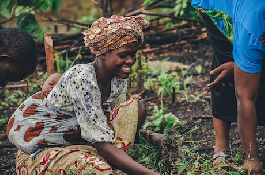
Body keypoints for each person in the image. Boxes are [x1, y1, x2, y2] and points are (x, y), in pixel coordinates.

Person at [7, 15, 164, 175]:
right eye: (123, 55)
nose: (130, 61)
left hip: (83, 143)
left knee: (136, 109)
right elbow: (101, 142)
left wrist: (148, 136)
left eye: (133, 54)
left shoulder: (117, 79)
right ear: (103, 53)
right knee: (97, 170)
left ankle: (112, 161)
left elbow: (112, 124)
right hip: (44, 150)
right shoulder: (82, 79)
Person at [191, 0, 265, 174]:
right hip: (219, 4)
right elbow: (245, 97)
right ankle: (222, 144)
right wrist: (251, 159)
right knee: (226, 68)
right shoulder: (250, 32)